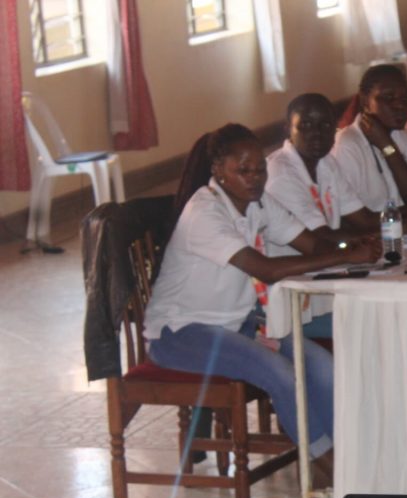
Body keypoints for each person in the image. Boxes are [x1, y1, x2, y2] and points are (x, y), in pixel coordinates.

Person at [145, 123, 381, 463]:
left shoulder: (257, 202)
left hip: (237, 324)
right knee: (280, 373)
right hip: (181, 332)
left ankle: (352, 459)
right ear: (218, 171)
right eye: (243, 170)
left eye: (259, 169)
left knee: (321, 364)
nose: (254, 178)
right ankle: (329, 470)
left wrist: (354, 244)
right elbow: (265, 269)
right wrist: (346, 255)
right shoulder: (205, 212)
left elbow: (311, 242)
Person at [265, 94, 355, 339]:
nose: (316, 133)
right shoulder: (280, 172)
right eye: (305, 125)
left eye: (325, 125)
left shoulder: (326, 162)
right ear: (288, 129)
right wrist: (357, 247)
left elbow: (363, 219)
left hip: (325, 281)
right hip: (293, 299)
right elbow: (320, 240)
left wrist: (398, 225)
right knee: (367, 324)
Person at [332, 67, 407, 234]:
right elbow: (353, 222)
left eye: (405, 98)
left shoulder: (403, 137)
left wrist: (388, 146)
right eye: (388, 98)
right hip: (373, 241)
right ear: (365, 101)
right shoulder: (348, 144)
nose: (400, 105)